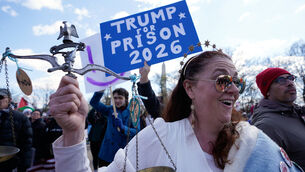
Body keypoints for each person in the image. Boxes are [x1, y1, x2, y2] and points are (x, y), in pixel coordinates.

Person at [50, 51, 303, 172]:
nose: (234, 90)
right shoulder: (159, 138)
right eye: (223, 80)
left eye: (238, 82)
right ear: (190, 88)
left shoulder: (253, 141)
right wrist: (73, 134)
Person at [251, 67, 305, 170]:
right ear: (267, 91)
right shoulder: (266, 126)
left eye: (290, 78)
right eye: (281, 80)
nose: (290, 83)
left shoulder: (296, 113)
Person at [0, 88, 33, 172]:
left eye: (1, 97)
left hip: (10, 160)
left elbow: (26, 142)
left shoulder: (20, 117)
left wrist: (25, 163)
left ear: (9, 99)